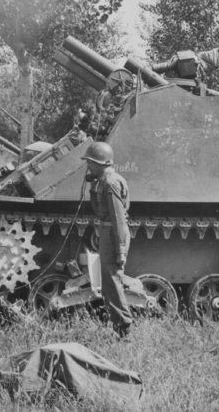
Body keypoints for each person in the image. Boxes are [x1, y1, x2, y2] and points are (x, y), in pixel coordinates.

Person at [81, 141, 133, 338]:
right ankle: (119, 327)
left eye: (91, 163)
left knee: (112, 281)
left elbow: (118, 218)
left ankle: (124, 329)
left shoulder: (110, 183)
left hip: (113, 235)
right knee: (109, 281)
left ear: (101, 162)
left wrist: (120, 249)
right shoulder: (102, 181)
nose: (88, 166)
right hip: (108, 232)